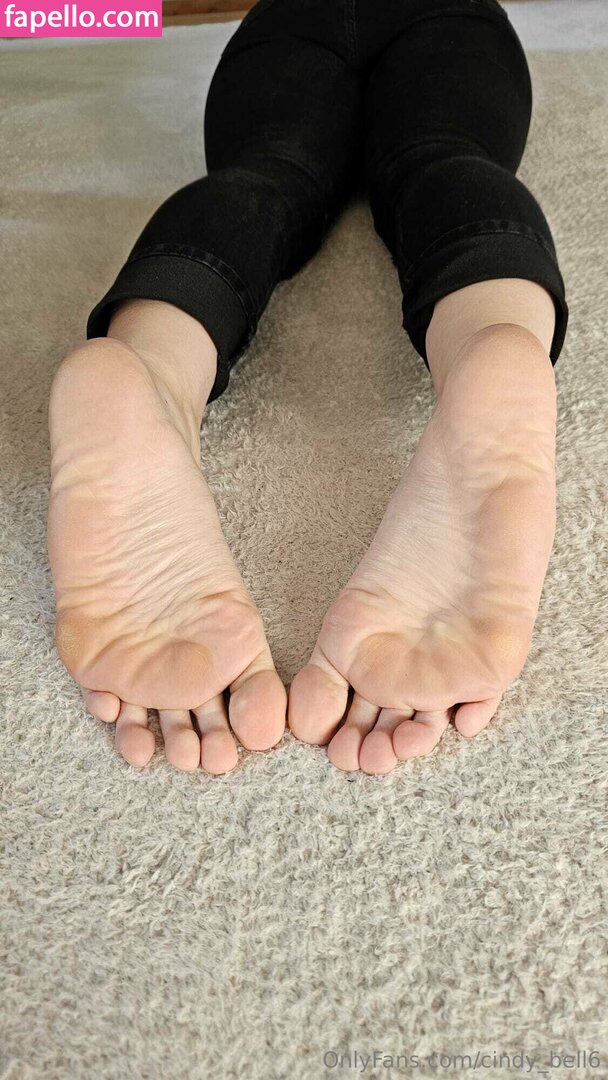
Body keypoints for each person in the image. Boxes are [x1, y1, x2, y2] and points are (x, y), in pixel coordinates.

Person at [47, 0, 569, 776]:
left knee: (265, 175)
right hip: (452, 16)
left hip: (290, 23)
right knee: (442, 160)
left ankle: (152, 368)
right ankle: (492, 342)